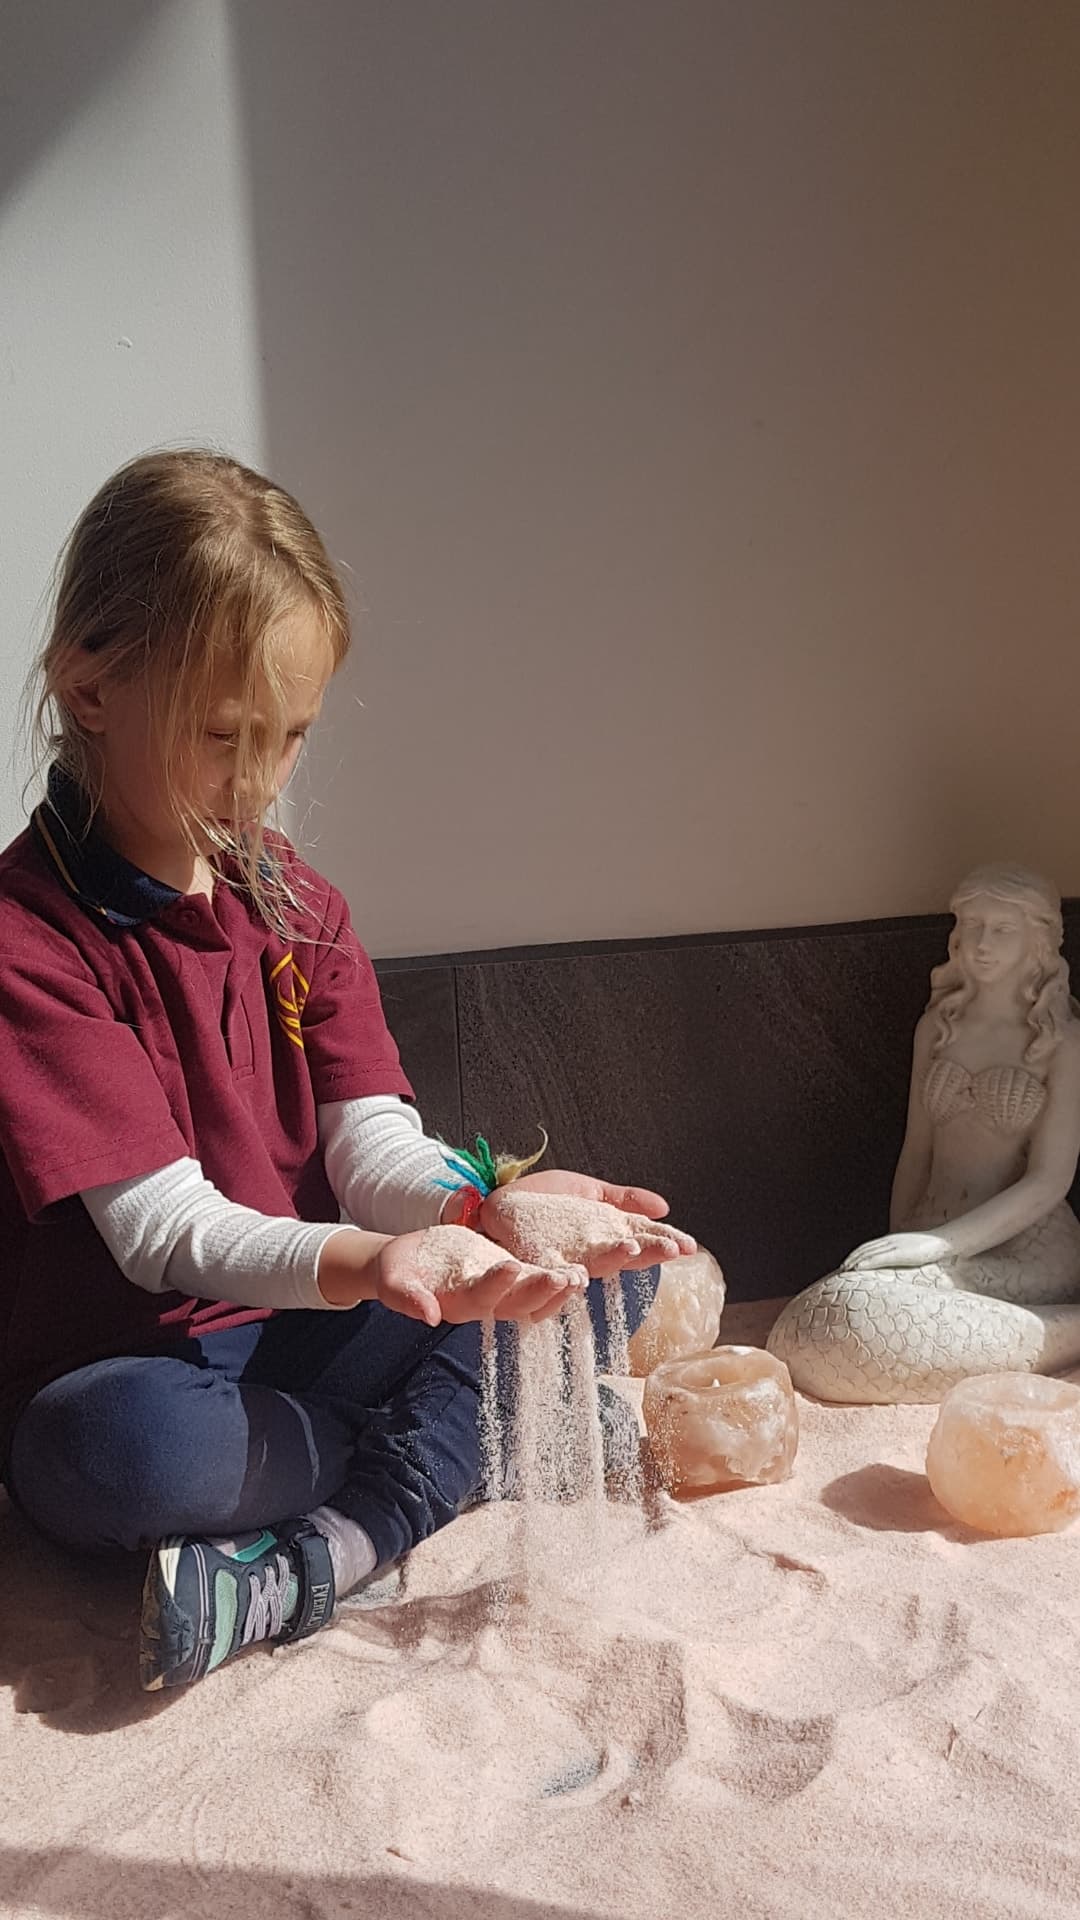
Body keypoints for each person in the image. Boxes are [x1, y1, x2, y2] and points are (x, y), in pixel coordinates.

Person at [0, 450, 694, 1690]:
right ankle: (456, 1445)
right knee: (110, 1455)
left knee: (593, 1276)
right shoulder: (27, 938)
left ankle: (328, 1544)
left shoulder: (300, 905)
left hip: (307, 1332)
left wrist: (478, 1212)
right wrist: (380, 1264)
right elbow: (161, 1229)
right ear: (87, 686)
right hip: (140, 1368)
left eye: (291, 738)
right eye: (223, 737)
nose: (260, 784)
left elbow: (370, 1146)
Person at [767, 866, 1080, 1402]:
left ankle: (1061, 1333)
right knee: (832, 1316)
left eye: (1002, 930)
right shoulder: (938, 1026)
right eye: (973, 925)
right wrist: (903, 1238)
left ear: (1040, 941)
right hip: (929, 1228)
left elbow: (1050, 1180)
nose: (981, 944)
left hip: (1025, 1250)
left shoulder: (1060, 1043)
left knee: (847, 1318)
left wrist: (937, 1247)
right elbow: (917, 1149)